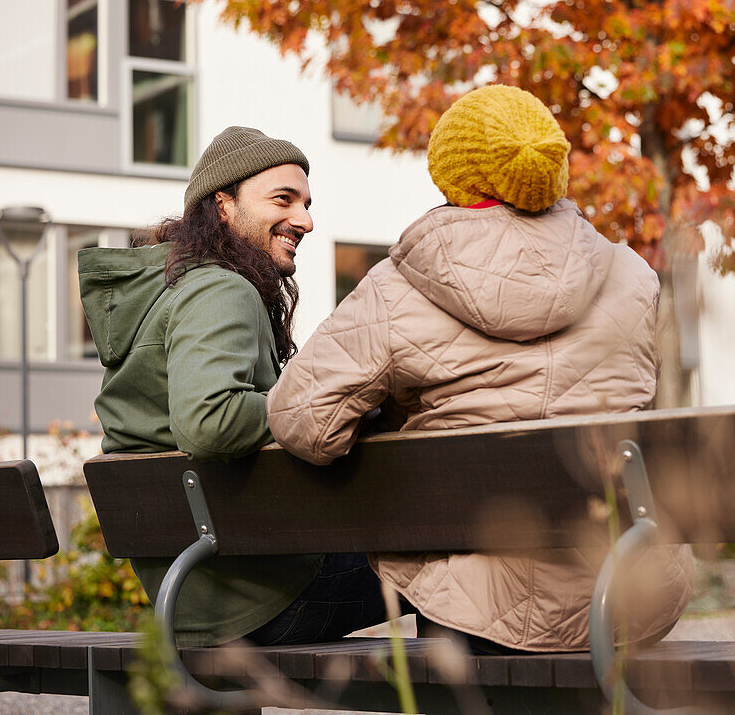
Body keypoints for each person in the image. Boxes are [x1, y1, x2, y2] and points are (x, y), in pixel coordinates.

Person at [266, 86, 694, 653]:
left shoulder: (398, 288)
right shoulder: (634, 278)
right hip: (626, 588)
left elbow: (302, 425)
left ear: (454, 173)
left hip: (474, 607)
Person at [78, 126, 391, 648]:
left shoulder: (168, 293)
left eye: (308, 203)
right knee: (453, 549)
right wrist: (319, 403)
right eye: (283, 200)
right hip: (258, 597)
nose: (306, 221)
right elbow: (208, 421)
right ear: (222, 205)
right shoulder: (220, 287)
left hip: (189, 594)